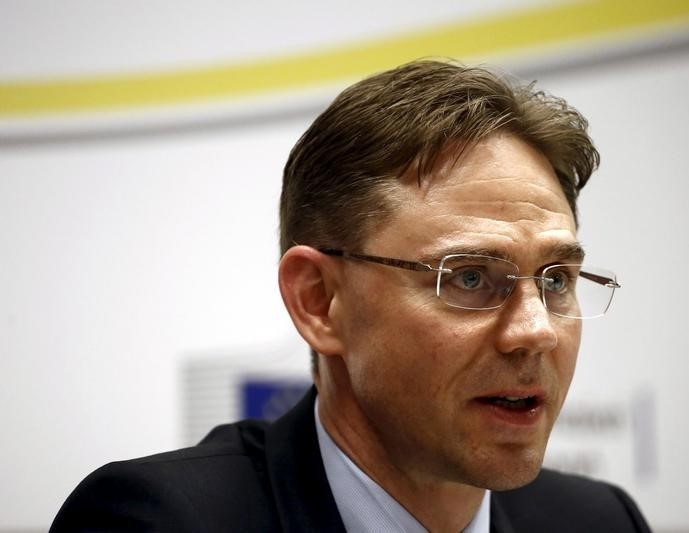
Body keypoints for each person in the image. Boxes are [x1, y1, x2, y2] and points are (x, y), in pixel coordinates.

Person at [51, 60, 650, 532]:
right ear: (319, 301)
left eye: (555, 280)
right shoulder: (157, 521)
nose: (537, 330)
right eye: (469, 278)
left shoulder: (600, 521)